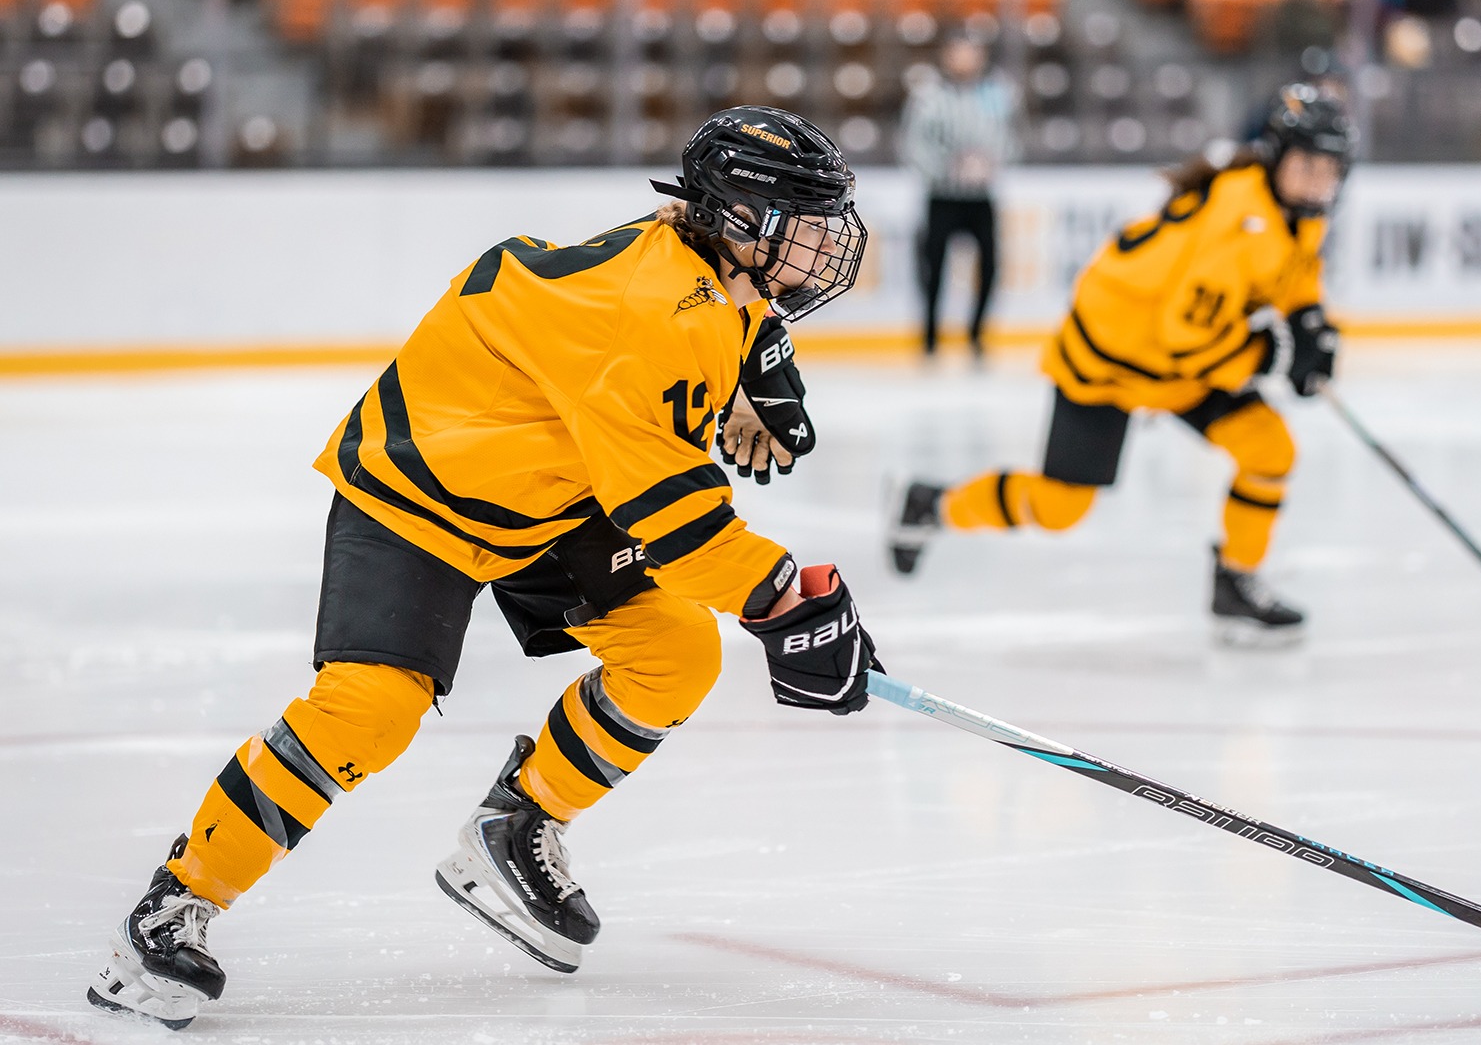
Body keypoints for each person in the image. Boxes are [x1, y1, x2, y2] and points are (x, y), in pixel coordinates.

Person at [86, 107, 884, 1029]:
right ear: (741, 223)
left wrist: (764, 359)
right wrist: (784, 601)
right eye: (807, 220)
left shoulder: (693, 266)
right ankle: (176, 904)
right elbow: (676, 521)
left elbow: (719, 329)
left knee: (674, 651)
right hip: (422, 486)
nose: (830, 243)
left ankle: (517, 826)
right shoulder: (650, 316)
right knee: (371, 709)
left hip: (549, 486)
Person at [888, 84, 1350, 643]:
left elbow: (1295, 272)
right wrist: (1270, 355)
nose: (1321, 179)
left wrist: (1308, 320)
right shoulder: (1238, 223)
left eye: (1332, 168)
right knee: (1059, 509)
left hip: (1177, 365)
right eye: (1309, 164)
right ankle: (931, 506)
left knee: (1269, 449)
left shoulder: (1294, 209)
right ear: (1276, 156)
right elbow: (1186, 338)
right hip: (1110, 361)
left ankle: (1236, 580)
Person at [899, 36, 1019, 358]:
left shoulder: (996, 93)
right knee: (934, 267)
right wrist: (945, 169)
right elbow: (913, 143)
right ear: (947, 56)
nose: (966, 60)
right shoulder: (929, 96)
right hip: (942, 197)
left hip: (981, 197)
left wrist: (992, 164)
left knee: (990, 266)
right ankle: (930, 336)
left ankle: (976, 333)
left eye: (972, 53)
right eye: (959, 54)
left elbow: (1011, 136)